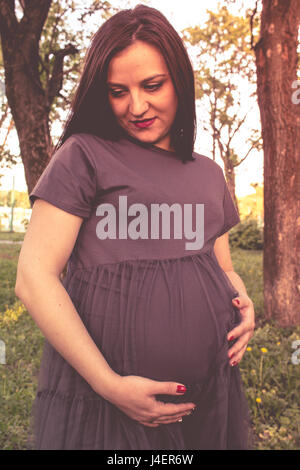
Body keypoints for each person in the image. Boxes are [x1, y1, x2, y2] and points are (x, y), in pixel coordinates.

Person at [15, 4, 255, 450]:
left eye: (152, 85)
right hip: (107, 403)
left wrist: (244, 307)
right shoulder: (84, 156)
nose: (137, 106)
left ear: (179, 80)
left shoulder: (208, 172)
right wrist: (110, 385)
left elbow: (223, 269)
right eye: (117, 91)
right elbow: (33, 278)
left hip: (210, 398)